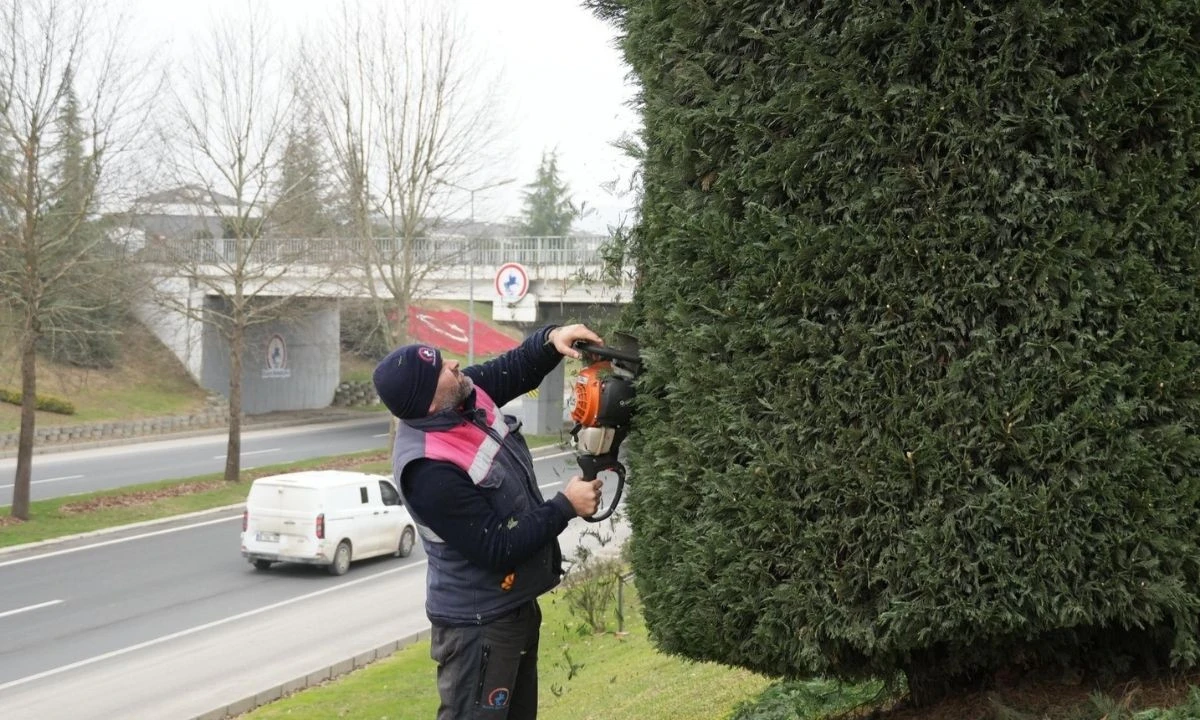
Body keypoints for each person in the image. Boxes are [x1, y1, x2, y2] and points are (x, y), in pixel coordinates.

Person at [372, 323, 605, 720]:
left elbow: (512, 370)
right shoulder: (428, 470)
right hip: (477, 629)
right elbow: (497, 547)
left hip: (512, 609)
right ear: (429, 402)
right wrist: (566, 506)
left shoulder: (462, 395)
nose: (456, 364)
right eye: (443, 369)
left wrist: (550, 341)